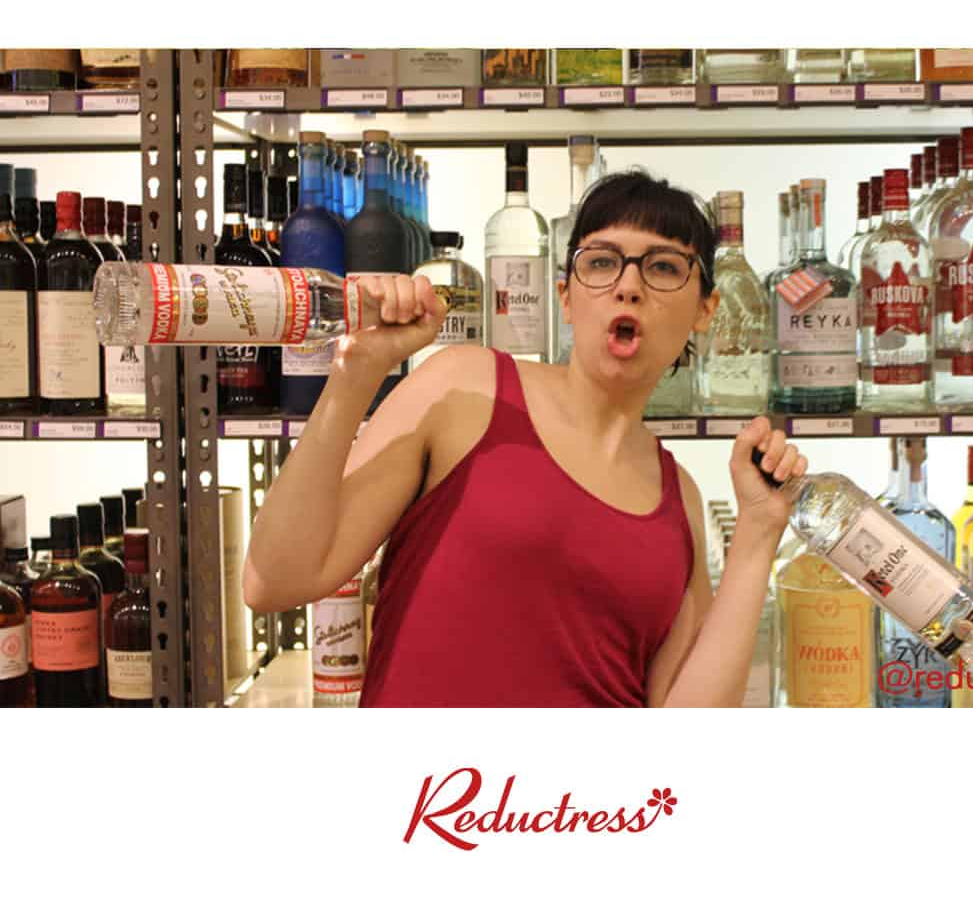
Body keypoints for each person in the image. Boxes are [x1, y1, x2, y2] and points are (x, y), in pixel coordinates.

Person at [243, 170, 808, 707]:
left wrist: (759, 533)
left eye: (662, 268)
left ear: (706, 309)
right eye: (603, 261)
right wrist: (354, 373)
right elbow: (273, 581)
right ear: (565, 295)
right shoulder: (461, 389)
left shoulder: (678, 501)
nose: (628, 285)